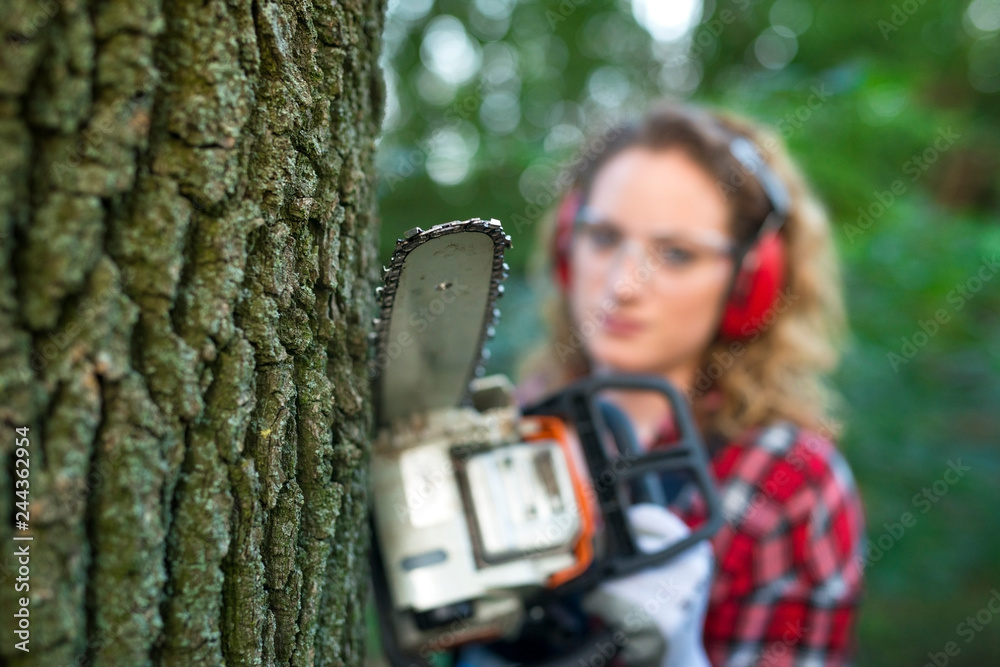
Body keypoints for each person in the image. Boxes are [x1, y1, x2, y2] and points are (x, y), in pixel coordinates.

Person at [515, 100, 866, 666]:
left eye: (676, 254)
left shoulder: (787, 483)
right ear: (565, 247)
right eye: (603, 237)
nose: (624, 284)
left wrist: (681, 656)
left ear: (750, 282)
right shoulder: (521, 418)